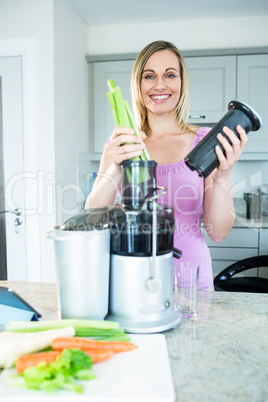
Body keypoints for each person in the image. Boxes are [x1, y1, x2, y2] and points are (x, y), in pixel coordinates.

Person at [85, 40, 248, 290]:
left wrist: (223, 177)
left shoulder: (204, 142)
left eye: (170, 75)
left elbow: (218, 232)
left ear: (181, 82)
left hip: (190, 278)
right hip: (131, 278)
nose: (159, 85)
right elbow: (93, 218)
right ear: (138, 85)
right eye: (149, 76)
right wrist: (117, 168)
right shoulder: (121, 142)